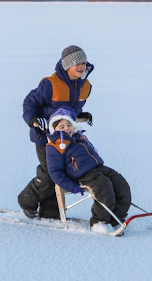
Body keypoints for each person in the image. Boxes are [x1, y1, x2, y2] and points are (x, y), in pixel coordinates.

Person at [18, 46, 95, 219]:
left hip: (67, 137)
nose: (82, 66)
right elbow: (29, 103)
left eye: (83, 62)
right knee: (49, 175)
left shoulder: (86, 86)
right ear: (67, 65)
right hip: (45, 137)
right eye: (77, 63)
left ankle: (50, 211)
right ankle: (26, 202)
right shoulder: (50, 84)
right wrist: (33, 120)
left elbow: (69, 111)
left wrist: (82, 116)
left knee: (61, 173)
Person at [45, 105, 132, 228]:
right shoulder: (54, 146)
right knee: (103, 188)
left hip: (98, 168)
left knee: (120, 183)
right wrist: (73, 187)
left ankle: (116, 218)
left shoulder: (78, 136)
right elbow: (55, 172)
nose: (67, 129)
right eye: (62, 126)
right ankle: (99, 223)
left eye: (69, 125)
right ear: (55, 129)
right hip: (82, 175)